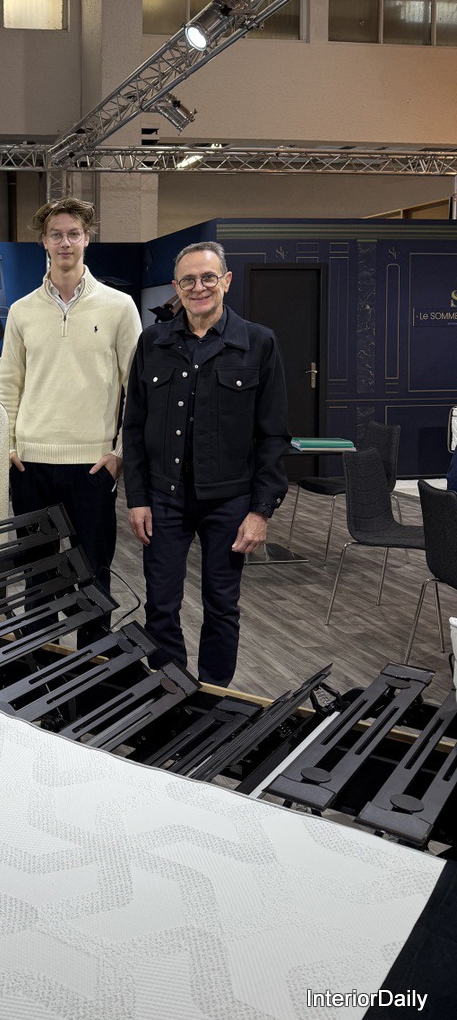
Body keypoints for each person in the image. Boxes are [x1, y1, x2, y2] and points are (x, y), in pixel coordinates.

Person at [122, 241, 290, 687]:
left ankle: (214, 696)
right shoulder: (153, 342)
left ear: (226, 281)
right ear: (176, 287)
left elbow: (273, 435)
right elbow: (133, 426)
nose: (199, 287)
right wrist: (137, 498)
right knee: (160, 605)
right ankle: (170, 691)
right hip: (163, 498)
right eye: (189, 280)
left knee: (221, 606)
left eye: (208, 278)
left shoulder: (258, 343)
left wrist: (260, 512)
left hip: (229, 502)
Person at [0, 198, 141, 620]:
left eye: (73, 234)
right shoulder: (22, 311)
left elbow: (137, 389)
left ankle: (94, 657)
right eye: (56, 235)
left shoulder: (119, 307)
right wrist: (7, 447)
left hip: (92, 466)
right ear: (43, 242)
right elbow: (9, 386)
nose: (65, 242)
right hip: (30, 465)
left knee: (93, 574)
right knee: (36, 576)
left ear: (87, 239)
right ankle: (39, 657)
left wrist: (120, 453)